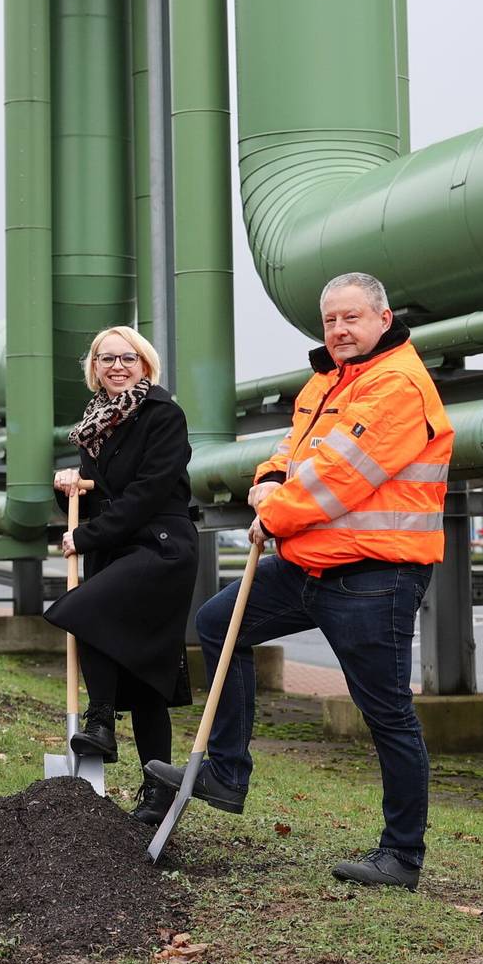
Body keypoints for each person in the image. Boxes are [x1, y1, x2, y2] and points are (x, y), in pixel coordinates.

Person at [146, 272, 452, 889]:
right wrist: (268, 479)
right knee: (216, 625)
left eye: (352, 318)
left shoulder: (396, 386)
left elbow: (339, 477)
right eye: (331, 320)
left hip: (375, 574)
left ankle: (401, 855)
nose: (339, 330)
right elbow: (293, 451)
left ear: (383, 318)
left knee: (385, 712)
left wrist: (272, 509)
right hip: (309, 563)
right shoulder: (327, 381)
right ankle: (227, 773)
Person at [41, 326, 197, 825]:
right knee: (145, 675)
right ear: (94, 368)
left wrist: (86, 538)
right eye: (106, 359)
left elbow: (148, 492)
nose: (117, 366)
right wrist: (68, 487)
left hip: (160, 547)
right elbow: (98, 495)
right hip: (116, 548)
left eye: (127, 358)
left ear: (144, 365)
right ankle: (158, 794)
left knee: (82, 610)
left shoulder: (163, 415)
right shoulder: (95, 424)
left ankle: (101, 720)